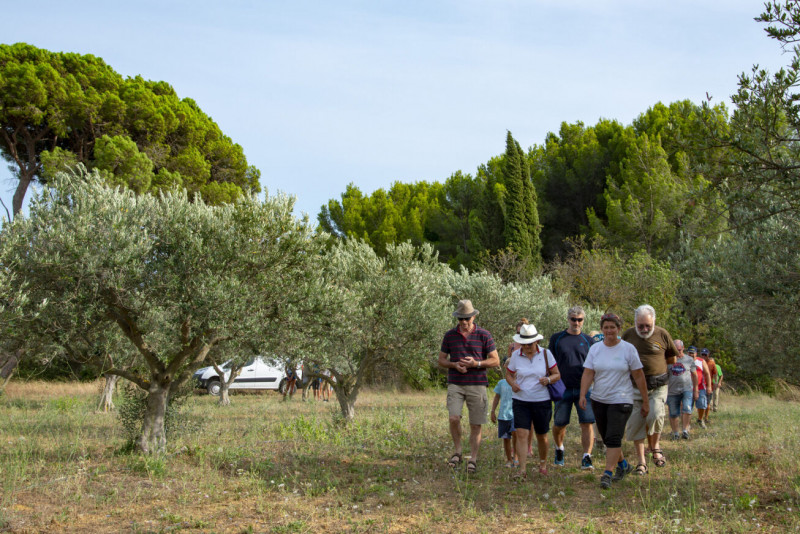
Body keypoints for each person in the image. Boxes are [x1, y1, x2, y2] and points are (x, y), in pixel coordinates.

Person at [579, 313, 649, 488]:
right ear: (602, 329)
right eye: (606, 327)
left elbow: (639, 376)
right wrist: (582, 394)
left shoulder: (628, 349)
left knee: (613, 437)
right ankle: (623, 465)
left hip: (622, 399)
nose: (609, 330)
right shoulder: (595, 349)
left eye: (613, 327)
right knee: (606, 436)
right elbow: (588, 373)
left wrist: (646, 401)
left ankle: (607, 474)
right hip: (599, 399)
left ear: (619, 329)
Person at [438, 299, 500, 474]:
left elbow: (495, 360)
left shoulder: (484, 335)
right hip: (456, 383)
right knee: (454, 418)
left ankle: (473, 458)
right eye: (461, 319)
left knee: (476, 423)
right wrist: (454, 365)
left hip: (477, 384)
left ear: (473, 317)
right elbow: (441, 360)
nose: (464, 322)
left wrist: (476, 363)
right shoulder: (450, 335)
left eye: (467, 319)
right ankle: (457, 451)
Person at [621, 304, 678, 474]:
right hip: (634, 386)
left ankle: (655, 446)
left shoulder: (662, 334)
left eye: (648, 325)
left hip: (658, 385)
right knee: (636, 422)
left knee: (655, 414)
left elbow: (672, 359)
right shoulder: (628, 335)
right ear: (635, 323)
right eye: (641, 326)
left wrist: (655, 367)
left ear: (654, 322)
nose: (644, 329)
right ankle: (641, 461)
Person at [506, 323, 560, 480]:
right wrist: (512, 384)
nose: (527, 347)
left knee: (542, 435)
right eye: (523, 344)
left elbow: (557, 374)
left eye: (529, 344)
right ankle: (522, 470)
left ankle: (542, 464)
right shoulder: (516, 355)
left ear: (536, 341)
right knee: (521, 433)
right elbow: (508, 374)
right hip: (520, 400)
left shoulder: (546, 354)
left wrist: (548, 379)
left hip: (541, 400)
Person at [549, 305, 596, 470]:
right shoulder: (557, 338)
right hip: (562, 387)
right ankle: (559, 448)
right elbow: (550, 362)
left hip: (585, 388)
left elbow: (594, 366)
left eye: (579, 319)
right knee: (560, 423)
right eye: (573, 319)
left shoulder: (589, 341)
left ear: (583, 320)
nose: (576, 322)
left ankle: (586, 456)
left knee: (587, 422)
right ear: (568, 319)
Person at [666, 340, 698, 440]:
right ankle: (676, 433)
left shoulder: (689, 359)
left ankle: (685, 430)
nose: (678, 352)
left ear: (683, 348)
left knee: (687, 409)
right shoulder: (668, 360)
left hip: (687, 389)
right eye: (676, 350)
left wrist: (696, 389)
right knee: (673, 412)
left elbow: (695, 375)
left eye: (679, 350)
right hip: (672, 390)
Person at [490, 363, 517, 468]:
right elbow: (497, 397)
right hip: (503, 415)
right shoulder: (501, 383)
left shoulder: (519, 383)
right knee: (506, 438)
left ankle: (516, 457)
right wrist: (493, 411)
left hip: (516, 414)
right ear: (506, 367)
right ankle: (509, 459)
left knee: (516, 433)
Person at [693, 347, 712, 428]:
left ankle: (700, 419)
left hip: (701, 387)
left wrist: (709, 386)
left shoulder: (701, 361)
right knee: (687, 407)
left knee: (702, 405)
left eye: (692, 353)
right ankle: (686, 425)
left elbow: (707, 374)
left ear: (696, 353)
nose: (691, 354)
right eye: (689, 353)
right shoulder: (685, 360)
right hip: (688, 387)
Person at [701, 348, 717, 424]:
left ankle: (706, 418)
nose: (704, 356)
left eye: (705, 355)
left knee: (707, 403)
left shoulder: (711, 363)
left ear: (708, 355)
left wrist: (716, 383)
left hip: (708, 385)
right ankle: (700, 418)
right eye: (702, 354)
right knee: (701, 403)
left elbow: (715, 373)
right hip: (700, 385)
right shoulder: (698, 362)